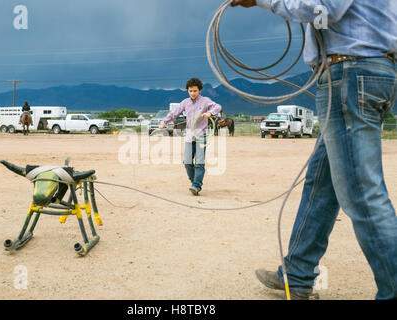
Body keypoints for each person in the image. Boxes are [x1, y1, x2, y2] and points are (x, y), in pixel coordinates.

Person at [231, 0, 397, 300]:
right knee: (322, 183)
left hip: (350, 72)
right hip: (364, 71)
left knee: (362, 195)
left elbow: (323, 8)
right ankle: (297, 275)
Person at [159, 78, 222, 196]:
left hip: (201, 135)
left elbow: (217, 106)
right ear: (187, 91)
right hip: (189, 135)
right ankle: (194, 182)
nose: (192, 93)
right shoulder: (185, 102)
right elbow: (174, 113)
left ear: (199, 91)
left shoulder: (205, 101)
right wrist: (164, 122)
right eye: (190, 91)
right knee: (187, 162)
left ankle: (196, 186)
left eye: (195, 91)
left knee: (199, 162)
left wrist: (210, 113)